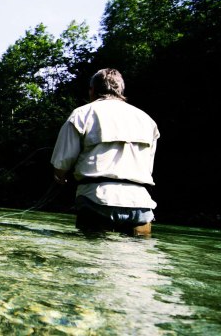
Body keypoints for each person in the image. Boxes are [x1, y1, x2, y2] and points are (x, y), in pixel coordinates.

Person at [51, 68, 159, 236]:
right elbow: (148, 166)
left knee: (92, 259)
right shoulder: (147, 120)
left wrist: (60, 177)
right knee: (139, 260)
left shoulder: (81, 114)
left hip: (96, 200)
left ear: (92, 90)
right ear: (120, 90)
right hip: (140, 203)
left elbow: (61, 164)